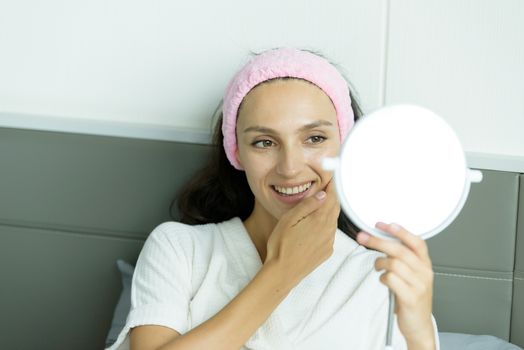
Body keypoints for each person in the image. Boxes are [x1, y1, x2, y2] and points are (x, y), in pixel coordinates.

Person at [107, 47, 439, 350]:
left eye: (314, 138)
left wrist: (420, 335)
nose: (291, 168)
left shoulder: (379, 277)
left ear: (346, 148)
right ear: (237, 153)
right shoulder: (180, 249)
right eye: (264, 142)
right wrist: (283, 270)